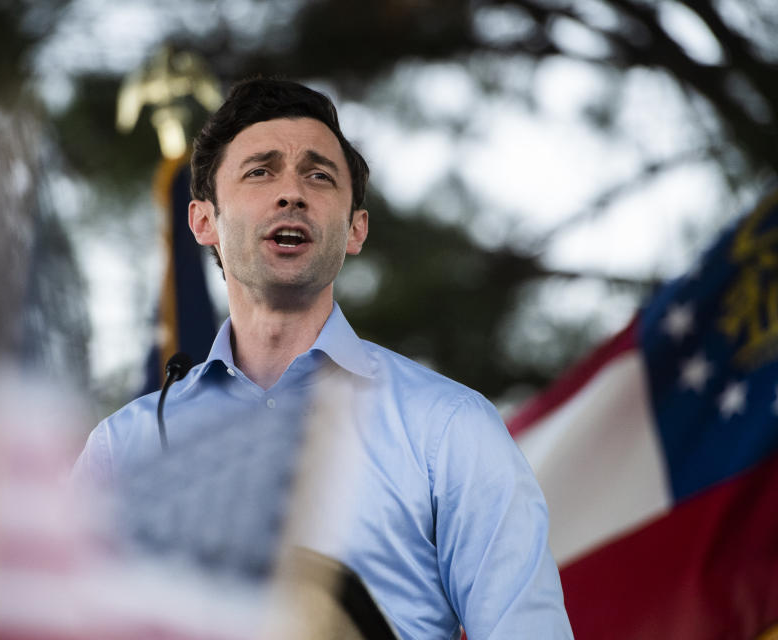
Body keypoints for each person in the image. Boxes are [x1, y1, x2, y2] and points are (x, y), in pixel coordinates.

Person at [73, 78, 573, 639]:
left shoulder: (451, 428)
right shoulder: (120, 450)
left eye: (319, 175)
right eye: (260, 171)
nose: (292, 193)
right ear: (203, 221)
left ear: (355, 228)